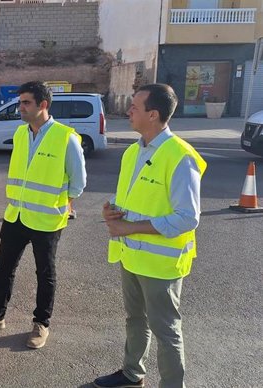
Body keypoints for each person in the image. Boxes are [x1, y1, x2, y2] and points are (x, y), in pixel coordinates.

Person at [94, 84, 206, 388]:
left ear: (153, 114)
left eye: (135, 106)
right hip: (131, 255)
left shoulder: (180, 156)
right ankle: (132, 373)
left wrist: (128, 228)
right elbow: (136, 202)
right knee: (135, 320)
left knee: (166, 329)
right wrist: (114, 212)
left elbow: (187, 218)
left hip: (160, 264)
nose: (128, 111)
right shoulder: (134, 150)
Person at [0, 81, 86, 349]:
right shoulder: (21, 134)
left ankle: (41, 323)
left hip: (46, 220)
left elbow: (78, 182)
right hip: (16, 216)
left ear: (43, 105)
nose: (20, 107)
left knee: (45, 274)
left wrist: (67, 204)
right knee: (4, 269)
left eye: (26, 103)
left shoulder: (65, 137)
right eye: (20, 102)